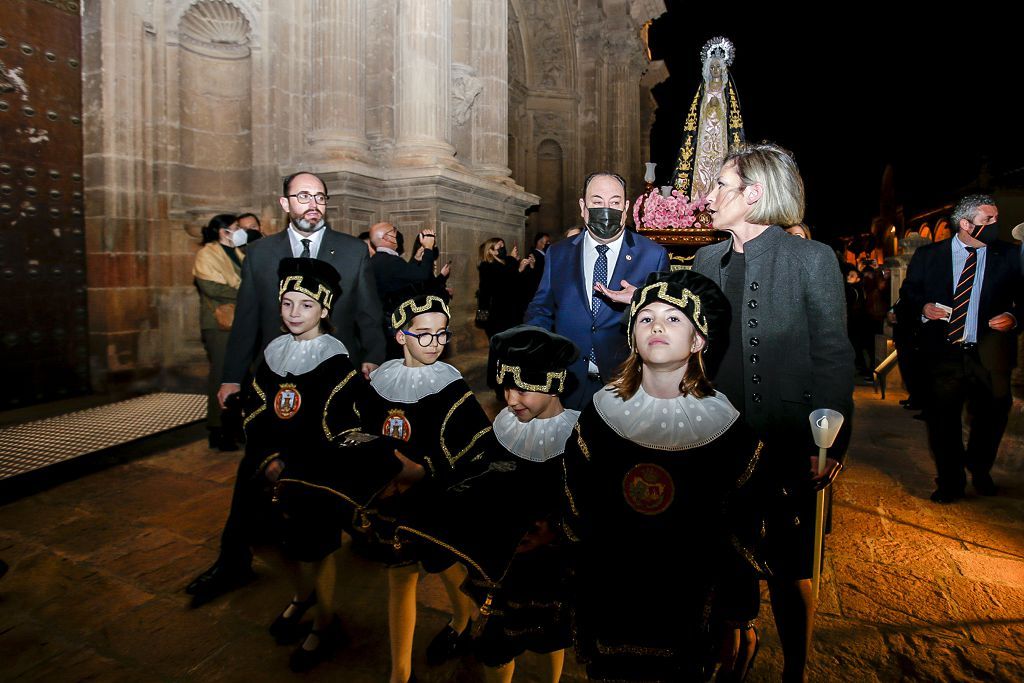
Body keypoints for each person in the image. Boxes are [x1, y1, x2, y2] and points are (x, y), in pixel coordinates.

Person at [692, 143, 854, 683]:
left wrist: (826, 442)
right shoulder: (705, 260)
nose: (708, 195)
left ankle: (796, 667)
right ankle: (735, 645)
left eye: (721, 185)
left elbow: (833, 354)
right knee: (723, 555)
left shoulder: (812, 259)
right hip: (718, 440)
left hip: (788, 440)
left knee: (791, 566)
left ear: (754, 195)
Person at [186, 171, 386, 605]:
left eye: (319, 196)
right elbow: (246, 322)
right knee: (254, 470)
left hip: (335, 383)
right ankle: (233, 560)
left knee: (337, 465)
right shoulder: (260, 255)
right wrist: (232, 377)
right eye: (302, 196)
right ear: (284, 203)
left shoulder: (352, 251)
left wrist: (373, 357)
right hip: (274, 385)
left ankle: (362, 534)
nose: (312, 204)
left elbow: (369, 313)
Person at [563, 270, 765, 682]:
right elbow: (576, 499)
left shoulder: (726, 427)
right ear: (633, 338)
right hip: (614, 593)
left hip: (689, 600)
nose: (656, 325)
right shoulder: (602, 414)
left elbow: (742, 526)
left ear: (698, 341)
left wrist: (739, 612)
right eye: (645, 317)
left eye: (673, 319)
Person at [396, 325, 581, 683]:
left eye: (523, 389)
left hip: (550, 570)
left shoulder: (576, 438)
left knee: (548, 638)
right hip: (501, 568)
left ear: (553, 384)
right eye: (505, 388)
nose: (511, 400)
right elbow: (479, 480)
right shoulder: (506, 427)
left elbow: (587, 503)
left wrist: (556, 530)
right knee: (495, 646)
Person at [243, 257, 377, 672]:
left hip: (314, 471)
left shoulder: (334, 360)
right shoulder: (273, 353)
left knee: (317, 550)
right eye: (287, 304)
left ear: (324, 310)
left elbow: (336, 420)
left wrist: (296, 462)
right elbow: (256, 407)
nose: (294, 313)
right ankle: (302, 597)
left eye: (305, 305)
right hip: (272, 468)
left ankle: (324, 620)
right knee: (280, 545)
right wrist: (266, 457)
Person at [356, 292, 490, 683]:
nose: (434, 343)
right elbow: (365, 431)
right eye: (423, 334)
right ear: (400, 336)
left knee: (444, 559)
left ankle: (463, 618)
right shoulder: (381, 380)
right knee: (401, 574)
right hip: (392, 501)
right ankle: (400, 672)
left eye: (441, 334)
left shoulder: (450, 384)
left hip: (437, 496)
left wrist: (425, 469)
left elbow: (475, 445)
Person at [897, 194, 1022, 503]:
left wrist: (1014, 317)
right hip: (944, 353)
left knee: (993, 414)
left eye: (996, 219)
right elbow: (908, 295)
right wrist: (924, 307)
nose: (995, 225)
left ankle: (979, 467)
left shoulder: (1010, 255)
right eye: (987, 220)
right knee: (943, 420)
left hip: (991, 354)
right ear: (965, 224)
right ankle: (951, 480)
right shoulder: (930, 256)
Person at [526, 171, 669, 409]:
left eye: (614, 202)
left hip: (626, 385)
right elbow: (541, 308)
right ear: (583, 207)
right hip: (567, 382)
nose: (606, 210)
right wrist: (536, 354)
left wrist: (640, 300)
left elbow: (667, 321)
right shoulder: (558, 253)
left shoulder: (652, 255)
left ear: (625, 207)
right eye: (597, 202)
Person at [193, 213, 245, 451]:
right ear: (222, 231)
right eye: (235, 228)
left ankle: (238, 426)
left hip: (241, 321)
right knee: (222, 376)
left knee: (241, 376)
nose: (239, 231)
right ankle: (218, 429)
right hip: (219, 323)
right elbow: (212, 287)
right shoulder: (207, 254)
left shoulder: (240, 253)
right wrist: (247, 292)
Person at [478, 237, 534, 339]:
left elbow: (516, 283)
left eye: (503, 246)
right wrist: (482, 317)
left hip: (512, 311)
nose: (503, 248)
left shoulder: (506, 263)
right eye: (500, 246)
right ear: (491, 251)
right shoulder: (487, 266)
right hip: (497, 314)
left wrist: (525, 268)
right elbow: (500, 284)